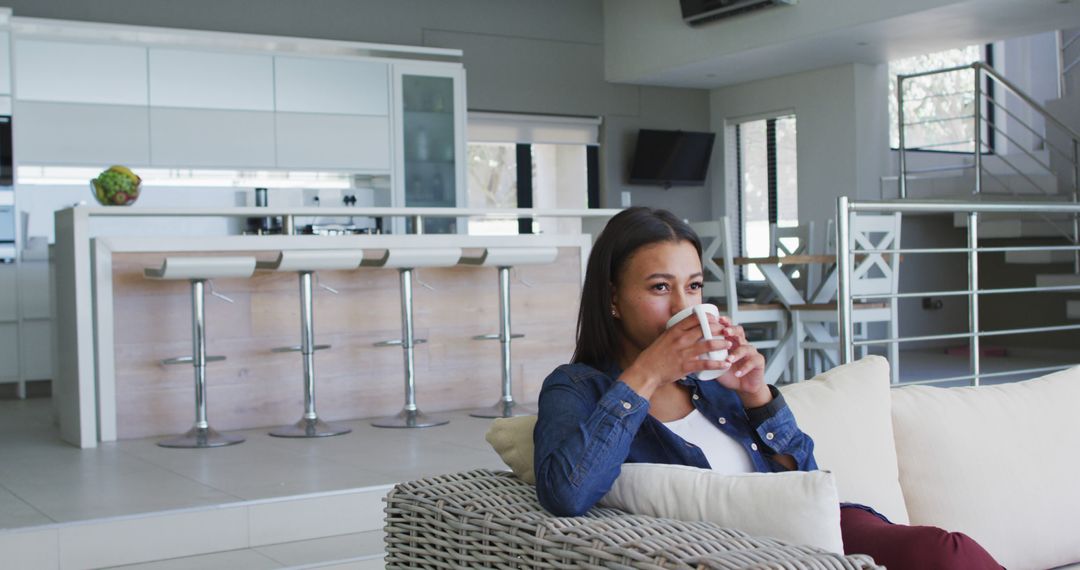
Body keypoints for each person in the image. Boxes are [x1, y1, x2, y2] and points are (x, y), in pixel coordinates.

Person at [533, 207, 1002, 569]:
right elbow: (567, 494)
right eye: (660, 288)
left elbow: (808, 475)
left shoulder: (710, 382)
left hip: (813, 531)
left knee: (947, 553)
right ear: (613, 297)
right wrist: (647, 374)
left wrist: (756, 394)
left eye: (694, 287)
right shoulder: (577, 388)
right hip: (747, 552)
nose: (683, 304)